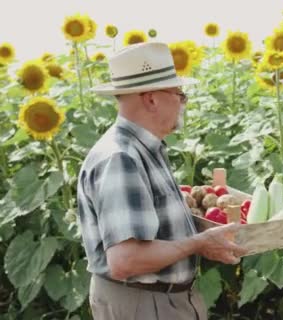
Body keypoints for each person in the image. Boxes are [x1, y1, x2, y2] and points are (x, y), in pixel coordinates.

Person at [77, 42, 247, 320]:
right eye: (179, 93)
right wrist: (199, 243)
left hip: (159, 300)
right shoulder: (122, 158)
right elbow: (125, 261)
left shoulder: (145, 148)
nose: (184, 101)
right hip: (145, 305)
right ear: (152, 99)